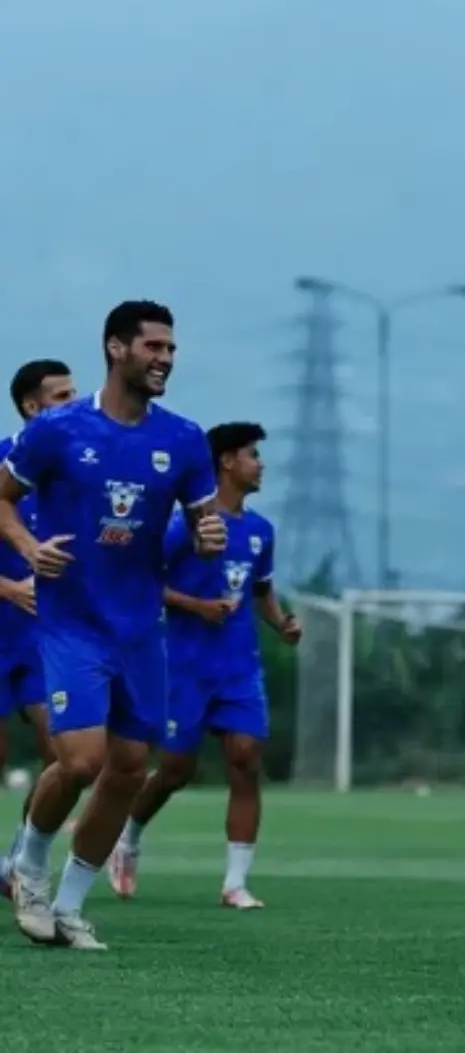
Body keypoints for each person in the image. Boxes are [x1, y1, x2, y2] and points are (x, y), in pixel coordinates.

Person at [0, 301, 226, 951]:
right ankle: (29, 870)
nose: (165, 359)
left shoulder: (183, 439)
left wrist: (209, 537)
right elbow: (2, 500)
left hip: (139, 629)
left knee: (129, 768)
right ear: (116, 348)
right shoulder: (58, 430)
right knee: (79, 760)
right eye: (153, 346)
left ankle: (69, 907)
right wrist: (25, 547)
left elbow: (204, 524)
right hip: (72, 622)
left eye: (171, 349)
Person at [109, 422, 300, 908]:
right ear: (228, 463)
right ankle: (128, 835)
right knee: (175, 769)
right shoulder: (182, 527)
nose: (261, 464)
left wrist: (281, 624)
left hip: (239, 668)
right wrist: (195, 606)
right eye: (253, 455)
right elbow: (146, 583)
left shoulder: (260, 531)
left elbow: (260, 591)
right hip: (184, 665)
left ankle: (235, 883)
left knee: (246, 760)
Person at [0, 360, 77, 898]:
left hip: (42, 636)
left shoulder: (77, 471)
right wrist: (9, 588)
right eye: (61, 396)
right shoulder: (4, 461)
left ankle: (17, 862)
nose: (74, 405)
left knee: (66, 754)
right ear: (32, 406)